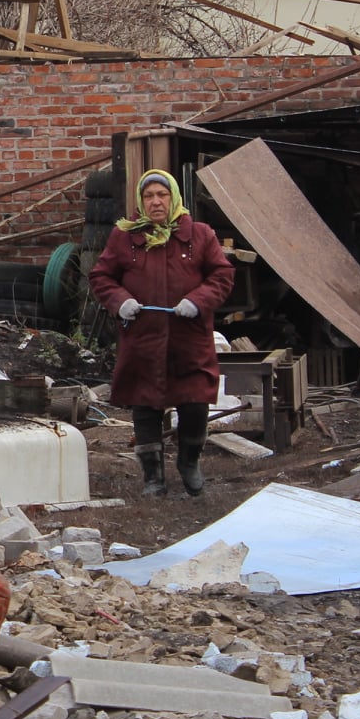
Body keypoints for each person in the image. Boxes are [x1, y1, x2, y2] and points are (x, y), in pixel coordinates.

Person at [88, 169, 235, 497]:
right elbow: (101, 276)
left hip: (188, 340)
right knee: (145, 405)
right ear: (141, 202)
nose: (156, 201)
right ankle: (153, 477)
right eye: (149, 196)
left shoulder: (200, 236)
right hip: (143, 339)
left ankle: (189, 461)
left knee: (195, 402)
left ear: (174, 198)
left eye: (162, 195)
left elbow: (222, 276)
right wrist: (120, 301)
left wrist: (197, 301)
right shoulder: (125, 237)